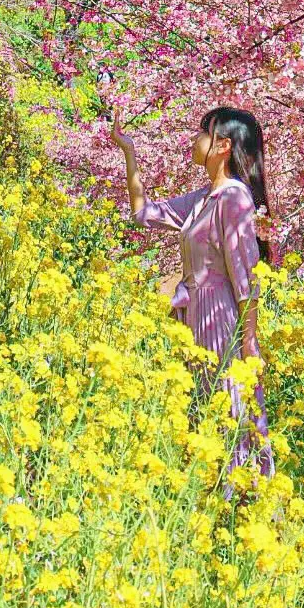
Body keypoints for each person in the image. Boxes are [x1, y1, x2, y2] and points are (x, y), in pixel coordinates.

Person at [110, 104, 275, 487]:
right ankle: (214, 501)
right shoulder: (206, 197)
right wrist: (128, 151)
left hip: (220, 316)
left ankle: (245, 500)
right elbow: (144, 214)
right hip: (195, 315)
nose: (195, 139)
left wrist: (249, 342)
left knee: (230, 407)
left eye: (204, 131)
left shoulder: (234, 199)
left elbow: (247, 277)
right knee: (203, 411)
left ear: (222, 146)